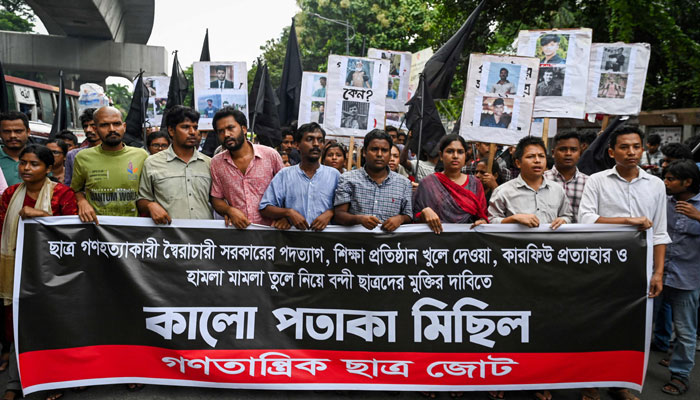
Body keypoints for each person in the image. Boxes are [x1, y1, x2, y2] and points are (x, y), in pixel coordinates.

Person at [578, 127, 671, 400]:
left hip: (637, 271)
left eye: (636, 146)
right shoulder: (596, 181)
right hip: (601, 268)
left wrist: (658, 272)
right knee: (596, 325)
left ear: (642, 149)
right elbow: (585, 219)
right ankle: (590, 383)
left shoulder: (656, 185)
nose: (631, 152)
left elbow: (661, 232)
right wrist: (629, 221)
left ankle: (618, 383)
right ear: (611, 152)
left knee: (628, 329)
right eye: (624, 147)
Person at [0, 145, 77, 400]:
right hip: (18, 268)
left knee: (51, 325)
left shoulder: (61, 194)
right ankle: (15, 383)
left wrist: (42, 215)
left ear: (47, 168)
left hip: (52, 271)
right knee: (19, 325)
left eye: (34, 164)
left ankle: (53, 381)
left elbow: (72, 232)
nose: (26, 169)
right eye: (23, 163)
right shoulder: (10, 194)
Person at [656, 160, 700, 395]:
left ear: (688, 182)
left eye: (671, 179)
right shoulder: (663, 202)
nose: (666, 182)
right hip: (659, 277)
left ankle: (680, 375)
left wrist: (698, 216)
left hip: (687, 280)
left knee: (684, 331)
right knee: (643, 325)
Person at [71, 106, 149, 223]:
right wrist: (82, 202)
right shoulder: (83, 157)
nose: (112, 129)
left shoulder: (141, 156)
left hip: (133, 228)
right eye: (104, 125)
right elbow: (75, 190)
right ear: (96, 129)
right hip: (97, 228)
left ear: (124, 127)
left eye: (116, 124)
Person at [210, 107, 284, 228]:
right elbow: (216, 199)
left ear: (244, 129)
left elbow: (286, 190)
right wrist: (229, 210)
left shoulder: (270, 155)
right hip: (239, 235)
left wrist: (285, 216)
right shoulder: (216, 163)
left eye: (230, 128)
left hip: (272, 231)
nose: (226, 134)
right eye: (221, 131)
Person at [138, 106, 212, 223]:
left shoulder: (209, 163)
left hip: (205, 237)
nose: (193, 132)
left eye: (195, 127)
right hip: (168, 237)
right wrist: (150, 205)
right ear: (171, 131)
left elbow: (218, 201)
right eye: (185, 127)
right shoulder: (152, 163)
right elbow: (142, 199)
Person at [260, 122, 340, 231]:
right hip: (293, 244)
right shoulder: (285, 175)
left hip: (326, 243)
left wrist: (330, 213)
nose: (316, 144)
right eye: (310, 139)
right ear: (297, 145)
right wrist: (288, 213)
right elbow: (265, 207)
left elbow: (347, 209)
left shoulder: (335, 175)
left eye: (320, 140)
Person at [334, 129, 412, 232]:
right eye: (374, 149)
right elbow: (339, 215)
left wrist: (400, 219)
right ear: (364, 152)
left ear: (389, 153)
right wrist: (359, 219)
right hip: (355, 245)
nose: (379, 154)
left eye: (384, 150)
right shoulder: (348, 179)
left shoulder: (404, 183)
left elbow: (409, 215)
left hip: (389, 245)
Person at [489, 136, 572, 230]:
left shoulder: (557, 189)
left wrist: (563, 220)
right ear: (518, 163)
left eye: (541, 156)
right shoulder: (503, 191)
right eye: (530, 156)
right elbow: (491, 222)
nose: (537, 160)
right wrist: (513, 219)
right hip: (516, 244)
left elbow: (567, 216)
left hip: (550, 243)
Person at [414, 134, 488, 234]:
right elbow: (414, 218)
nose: (455, 156)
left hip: (467, 243)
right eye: (450, 151)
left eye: (460, 152)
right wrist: (424, 213)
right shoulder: (428, 183)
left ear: (465, 155)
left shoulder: (475, 183)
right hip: (435, 243)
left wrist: (482, 222)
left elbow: (483, 216)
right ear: (441, 155)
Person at [543, 131, 588, 222]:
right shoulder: (541, 179)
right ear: (553, 152)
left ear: (580, 153)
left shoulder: (589, 182)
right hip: (548, 234)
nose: (568, 153)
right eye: (563, 149)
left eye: (573, 150)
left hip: (580, 235)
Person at [64, 108, 98, 186]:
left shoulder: (111, 153)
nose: (88, 130)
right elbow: (69, 184)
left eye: (93, 126)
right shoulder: (73, 155)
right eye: (85, 126)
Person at [0, 111, 30, 186]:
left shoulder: (40, 157)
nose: (12, 135)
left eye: (18, 131)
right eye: (7, 132)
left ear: (28, 132)